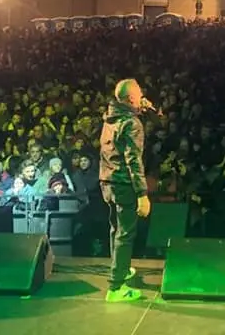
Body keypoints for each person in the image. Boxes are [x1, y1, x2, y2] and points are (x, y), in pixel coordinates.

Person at [98, 78, 152, 303]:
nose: (142, 96)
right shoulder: (131, 123)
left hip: (107, 182)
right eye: (139, 93)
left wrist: (139, 109)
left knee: (115, 230)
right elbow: (133, 160)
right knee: (125, 233)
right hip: (124, 185)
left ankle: (120, 268)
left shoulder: (111, 117)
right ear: (131, 98)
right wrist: (142, 194)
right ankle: (116, 286)